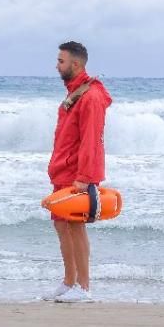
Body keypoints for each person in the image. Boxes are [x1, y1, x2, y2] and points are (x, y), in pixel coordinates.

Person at [42, 41, 112, 303]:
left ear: (77, 64)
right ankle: (68, 281)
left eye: (61, 61)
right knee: (61, 225)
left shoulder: (91, 97)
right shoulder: (75, 92)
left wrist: (85, 177)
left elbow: (91, 140)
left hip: (77, 175)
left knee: (75, 227)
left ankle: (83, 287)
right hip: (62, 171)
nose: (56, 65)